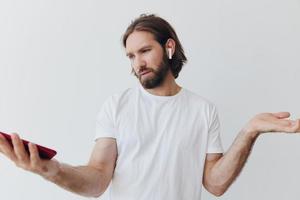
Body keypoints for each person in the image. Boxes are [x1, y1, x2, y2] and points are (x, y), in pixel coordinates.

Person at [0, 14, 299, 200]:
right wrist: (50, 170)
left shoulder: (203, 110)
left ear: (169, 48)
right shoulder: (117, 106)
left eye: (144, 51)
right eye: (130, 56)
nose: (137, 63)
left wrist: (249, 131)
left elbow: (215, 184)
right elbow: (97, 179)